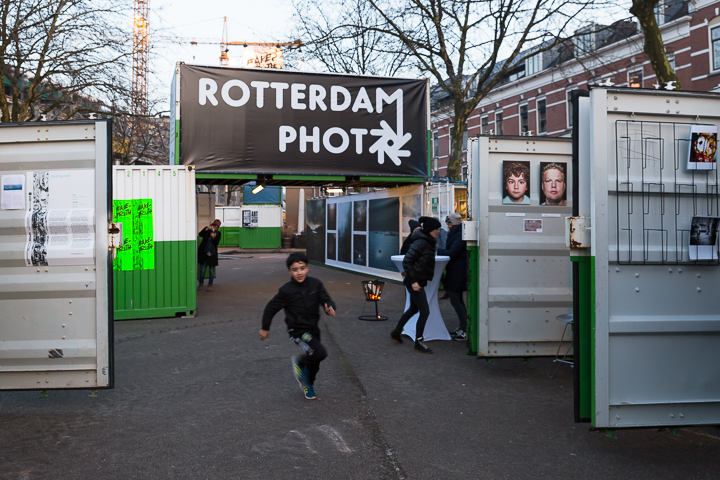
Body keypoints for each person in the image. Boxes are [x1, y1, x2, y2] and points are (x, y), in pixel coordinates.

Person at [259, 252, 337, 400]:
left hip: (313, 329)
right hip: (297, 331)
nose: (299, 272)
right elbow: (270, 308)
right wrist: (265, 327)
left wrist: (330, 307)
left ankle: (309, 385)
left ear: (307, 268)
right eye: (295, 270)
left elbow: (326, 300)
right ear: (289, 271)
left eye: (302, 268)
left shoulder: (315, 284)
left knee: (316, 361)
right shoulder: (286, 291)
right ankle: (300, 362)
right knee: (320, 352)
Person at [389, 216, 441, 354]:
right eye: (436, 228)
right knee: (425, 311)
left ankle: (396, 332)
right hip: (414, 281)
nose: (438, 231)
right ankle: (418, 342)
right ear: (430, 229)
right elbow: (407, 261)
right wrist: (414, 282)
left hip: (417, 280)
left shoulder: (428, 241)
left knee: (413, 309)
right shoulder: (421, 243)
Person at [437, 213, 468, 340]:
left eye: (449, 224)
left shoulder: (458, 234)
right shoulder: (459, 232)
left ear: (452, 224)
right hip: (458, 271)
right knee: (458, 300)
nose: (448, 226)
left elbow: (453, 252)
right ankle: (463, 328)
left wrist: (439, 251)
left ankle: (464, 329)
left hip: (457, 272)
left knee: (456, 300)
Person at [197, 219, 222, 291]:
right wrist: (207, 228)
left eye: (215, 227)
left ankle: (210, 285)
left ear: (217, 227)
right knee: (202, 270)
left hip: (212, 254)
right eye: (213, 226)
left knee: (211, 271)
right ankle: (200, 284)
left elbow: (216, 243)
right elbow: (200, 234)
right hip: (204, 253)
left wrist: (213, 237)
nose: (213, 227)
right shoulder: (207, 231)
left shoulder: (218, 233)